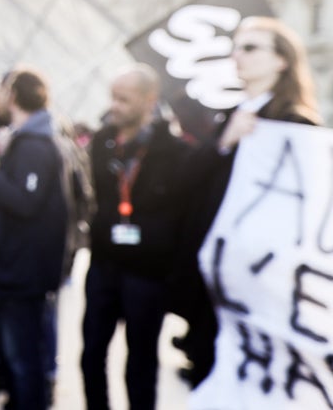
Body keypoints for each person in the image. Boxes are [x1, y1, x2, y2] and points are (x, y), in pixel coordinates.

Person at [173, 16, 321, 387]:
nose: (238, 55)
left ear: (281, 61)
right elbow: (187, 181)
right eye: (236, 47)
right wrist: (225, 143)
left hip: (259, 283)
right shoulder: (230, 115)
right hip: (211, 279)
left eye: (250, 48)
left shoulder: (297, 123)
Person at [80, 65, 194, 410]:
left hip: (148, 273)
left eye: (123, 99)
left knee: (141, 361)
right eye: (112, 97)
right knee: (91, 354)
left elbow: (183, 211)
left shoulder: (174, 151)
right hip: (103, 265)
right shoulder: (103, 142)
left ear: (149, 101)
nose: (114, 106)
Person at [0, 67, 67, 410]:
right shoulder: (27, 141)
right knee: (19, 354)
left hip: (24, 272)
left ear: (14, 95)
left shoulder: (35, 146)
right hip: (19, 268)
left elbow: (25, 201)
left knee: (25, 358)